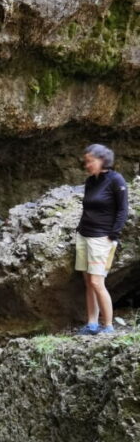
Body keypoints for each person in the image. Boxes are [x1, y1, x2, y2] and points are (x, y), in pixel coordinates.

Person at [75, 143, 128, 334]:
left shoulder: (116, 180)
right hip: (84, 235)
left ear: (103, 160)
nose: (87, 165)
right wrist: (80, 229)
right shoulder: (91, 181)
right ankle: (92, 324)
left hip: (102, 238)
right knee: (89, 281)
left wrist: (113, 235)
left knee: (97, 282)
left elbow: (123, 209)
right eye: (86, 161)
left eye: (90, 161)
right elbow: (87, 207)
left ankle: (108, 326)